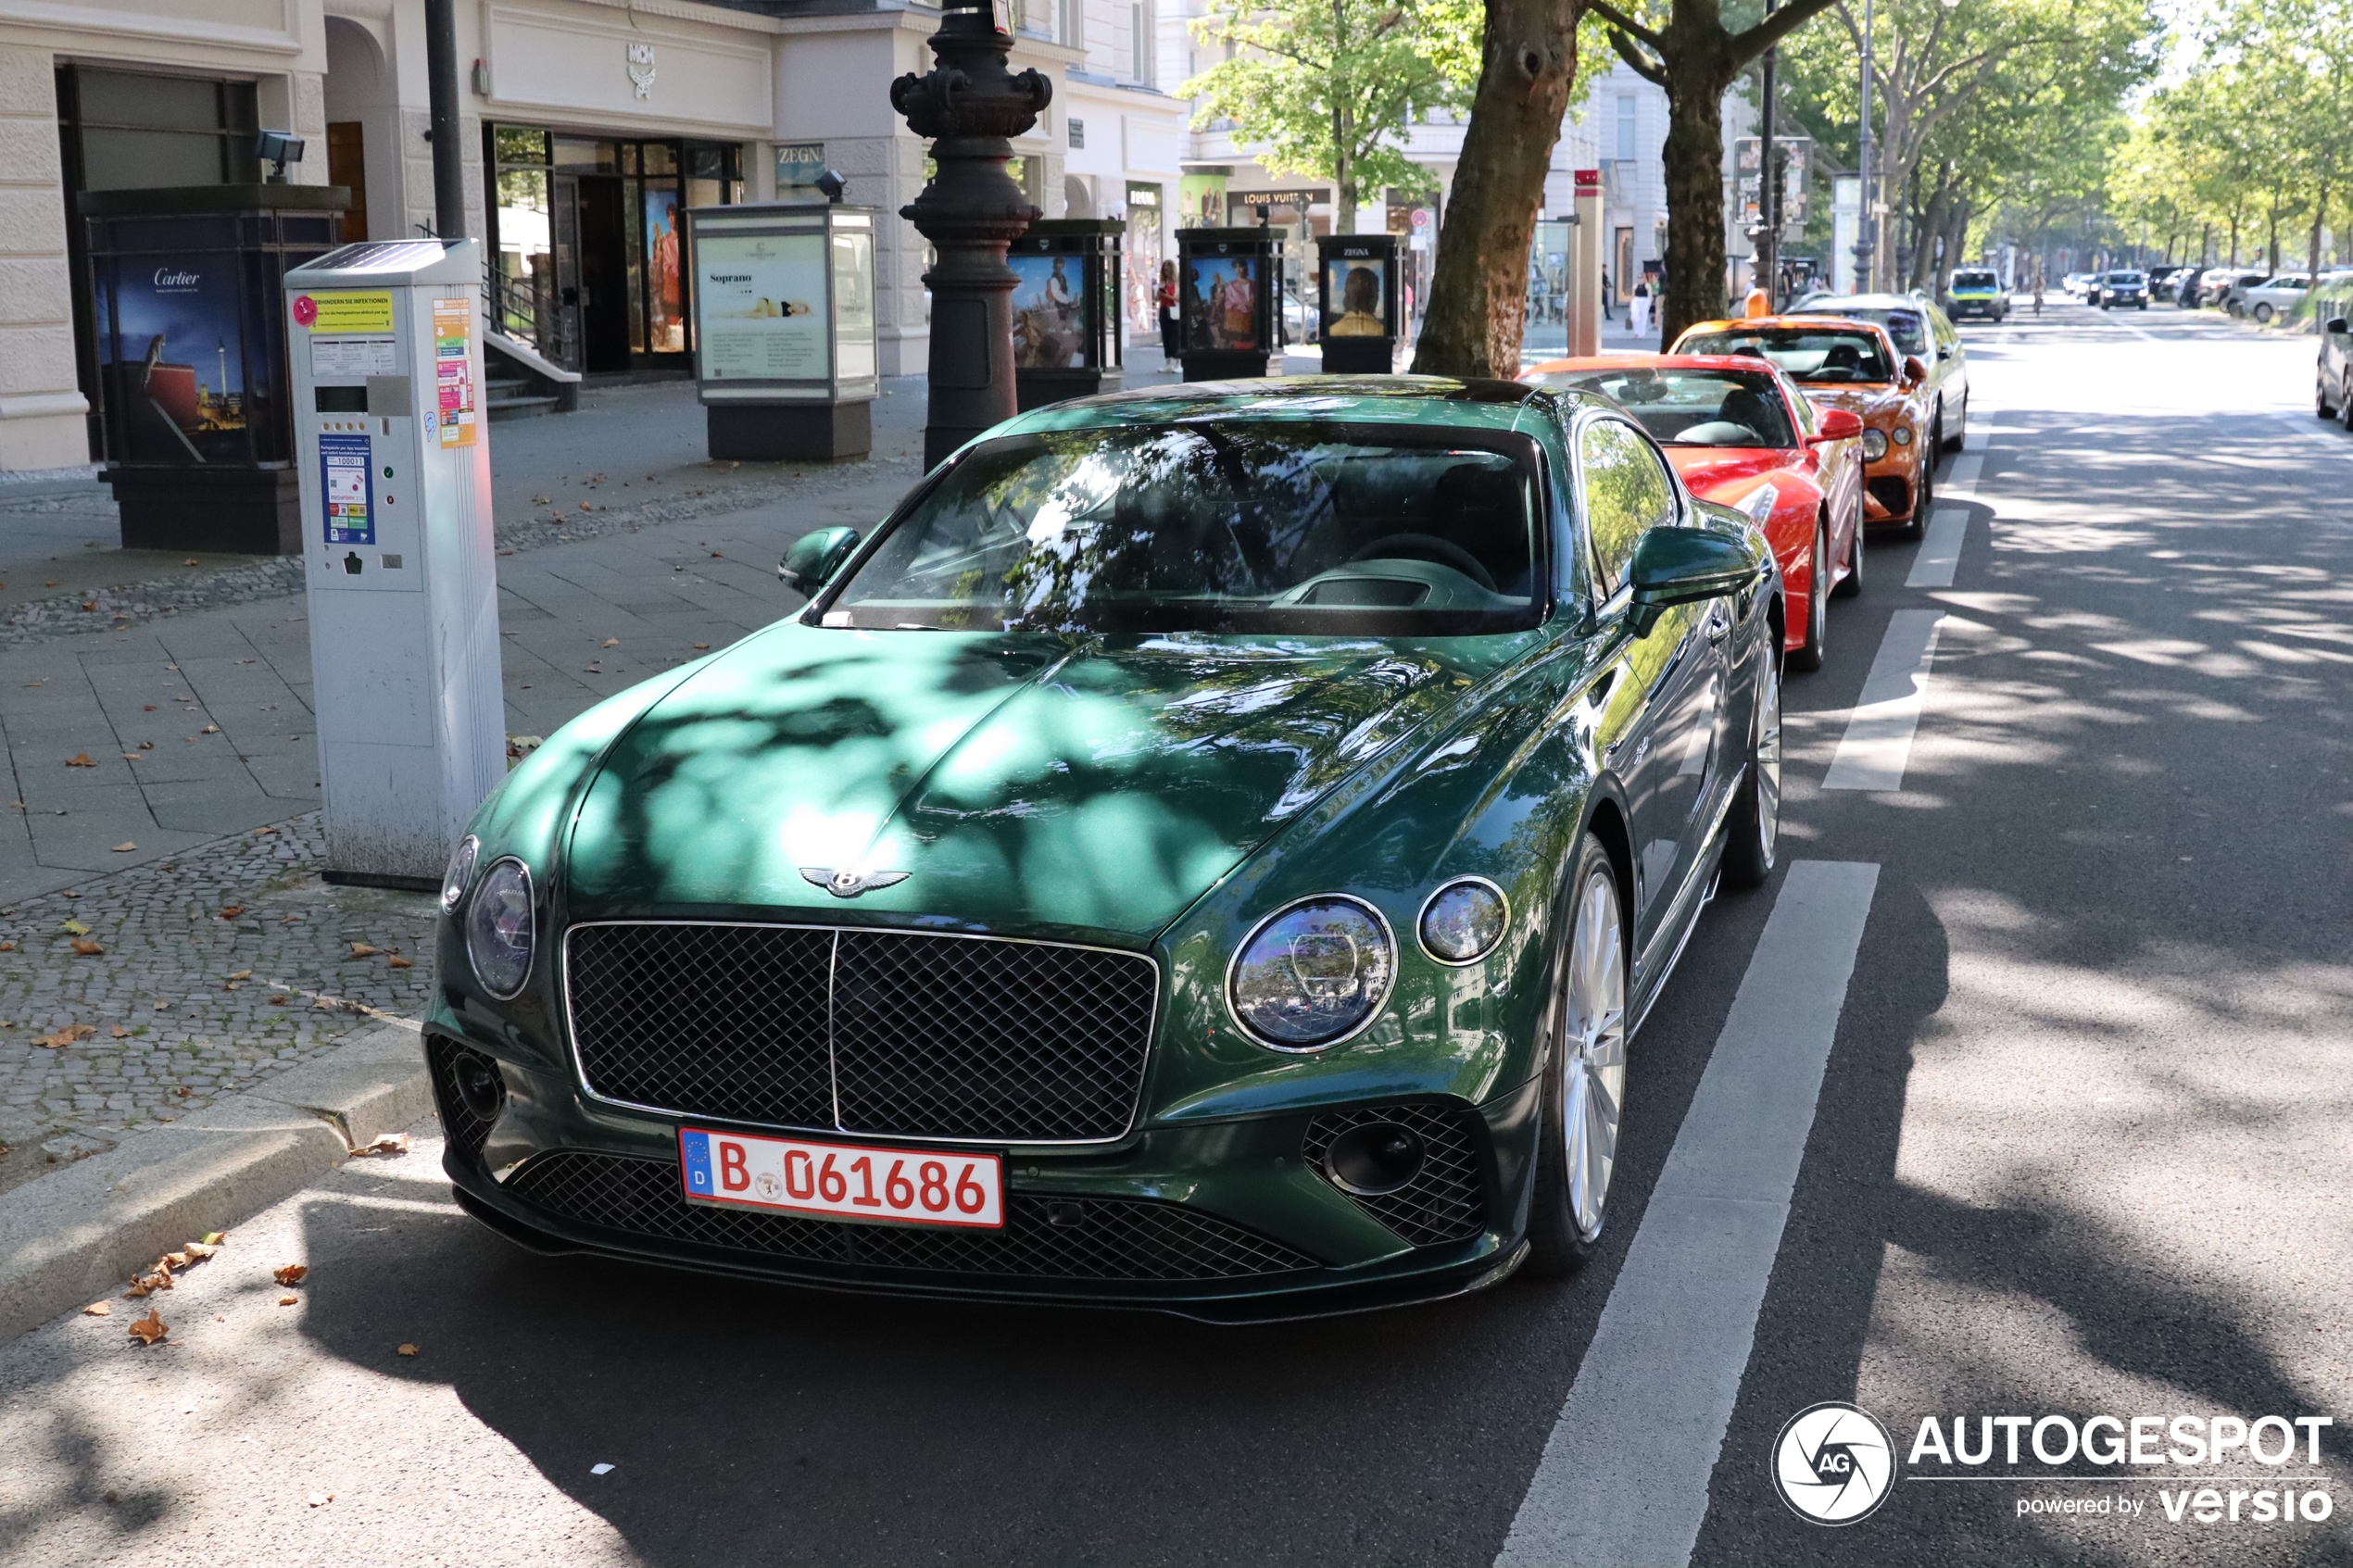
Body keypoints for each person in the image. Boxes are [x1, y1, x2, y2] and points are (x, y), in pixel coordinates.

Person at [1327, 266, 1383, 336]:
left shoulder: (1331, 332)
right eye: (1376, 292)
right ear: (1373, 296)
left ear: (1347, 294)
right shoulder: (1381, 332)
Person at [1157, 260, 1181, 359]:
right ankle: (1168, 360)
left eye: (1168, 270)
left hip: (1173, 309)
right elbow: (1157, 298)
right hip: (1163, 309)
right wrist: (1159, 295)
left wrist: (1166, 295)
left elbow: (1179, 299)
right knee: (1165, 336)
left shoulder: (1177, 284)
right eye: (1165, 270)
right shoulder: (1162, 283)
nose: (1167, 272)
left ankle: (1177, 360)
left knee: (1174, 336)